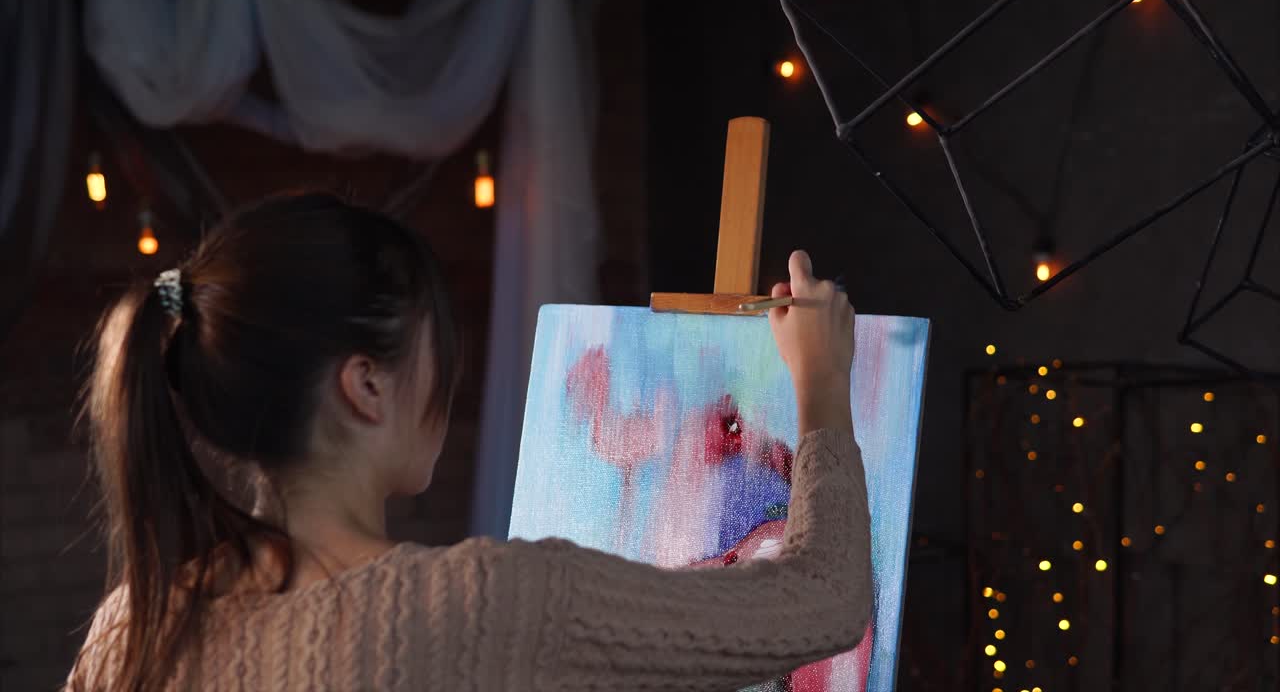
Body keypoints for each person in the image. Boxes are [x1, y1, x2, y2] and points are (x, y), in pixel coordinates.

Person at [65, 192, 870, 691]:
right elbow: (824, 604)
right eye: (435, 344)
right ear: (366, 385)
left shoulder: (127, 635)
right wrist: (823, 388)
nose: (449, 373)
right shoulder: (481, 604)